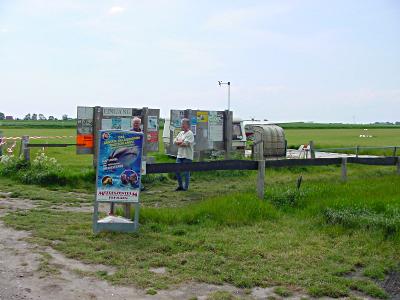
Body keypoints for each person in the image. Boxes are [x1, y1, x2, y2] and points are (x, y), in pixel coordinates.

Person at [174, 118, 194, 191]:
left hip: (187, 156)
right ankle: (180, 186)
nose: (182, 125)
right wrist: (180, 141)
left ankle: (185, 188)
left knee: (186, 172)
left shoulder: (190, 133)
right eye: (181, 124)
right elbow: (174, 141)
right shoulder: (181, 133)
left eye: (183, 124)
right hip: (179, 155)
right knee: (177, 171)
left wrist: (179, 142)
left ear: (187, 125)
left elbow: (185, 144)